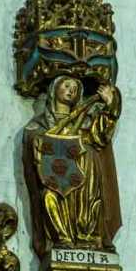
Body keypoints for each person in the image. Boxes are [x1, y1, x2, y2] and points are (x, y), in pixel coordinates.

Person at [24, 75, 122, 253]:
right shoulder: (41, 123)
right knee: (49, 198)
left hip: (85, 170)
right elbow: (34, 140)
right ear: (54, 90)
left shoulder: (85, 119)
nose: (71, 90)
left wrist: (110, 105)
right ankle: (62, 238)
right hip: (58, 176)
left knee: (89, 203)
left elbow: (100, 135)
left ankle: (88, 237)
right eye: (66, 85)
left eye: (75, 88)